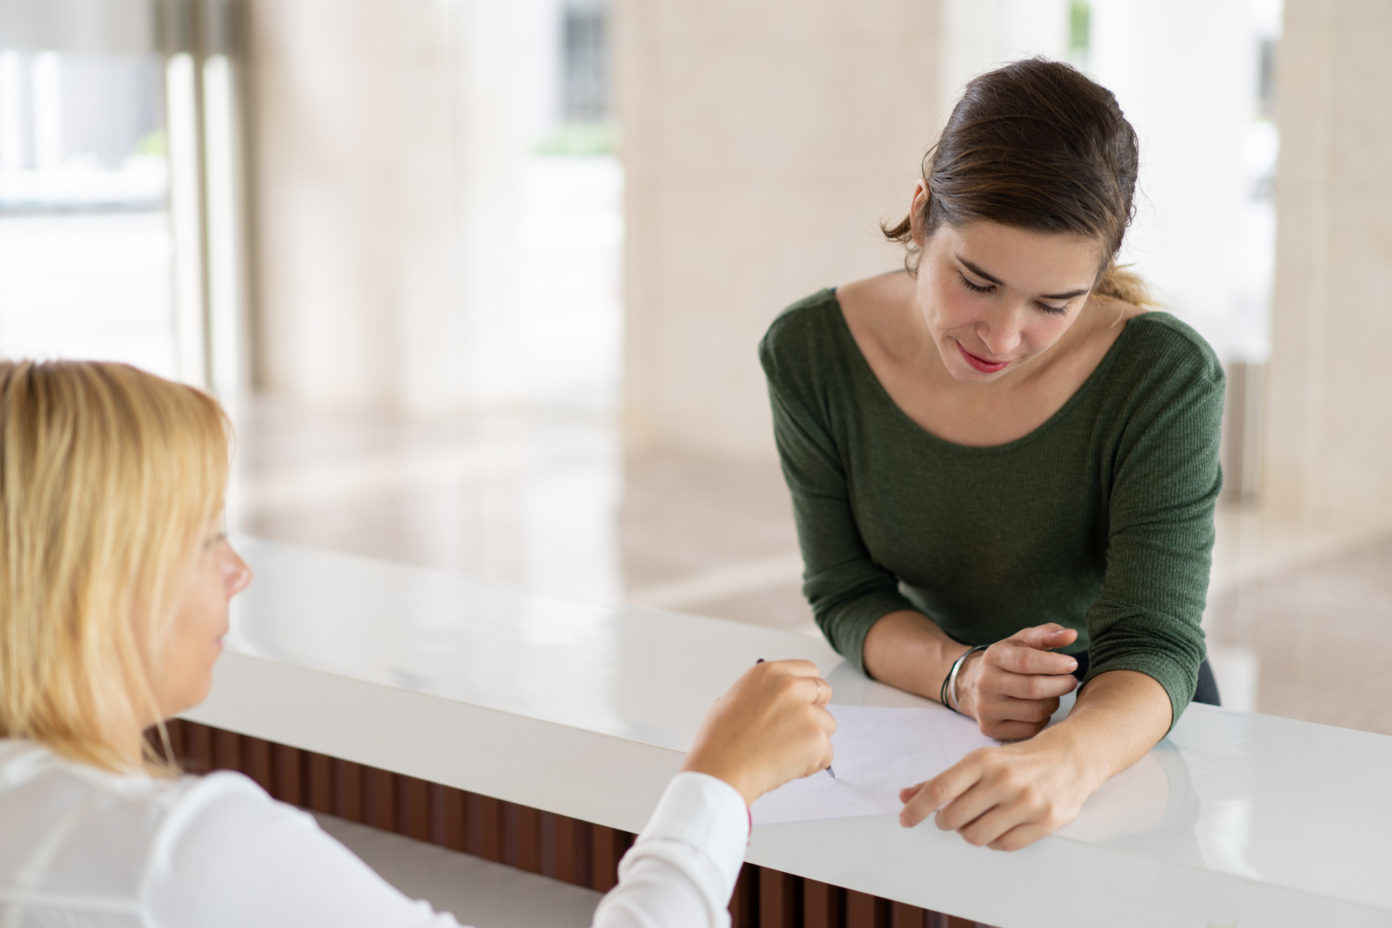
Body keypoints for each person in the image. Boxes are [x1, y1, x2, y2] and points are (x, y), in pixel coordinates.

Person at [0, 359, 834, 927]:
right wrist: (719, 785)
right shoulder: (181, 854)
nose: (238, 572)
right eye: (203, 539)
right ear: (96, 580)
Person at [758, 57, 1225, 852]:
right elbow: (844, 590)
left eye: (1055, 304)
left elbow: (1156, 640)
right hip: (930, 708)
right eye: (975, 282)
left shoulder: (1163, 374)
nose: (1003, 337)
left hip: (1125, 729)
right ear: (921, 215)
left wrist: (1067, 759)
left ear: (1099, 278)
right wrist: (960, 675)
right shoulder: (812, 353)